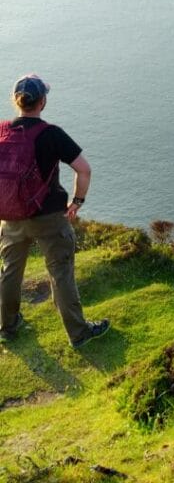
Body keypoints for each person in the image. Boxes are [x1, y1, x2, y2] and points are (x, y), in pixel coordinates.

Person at [0, 74, 110, 348]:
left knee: (10, 271)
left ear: (16, 101)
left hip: (11, 216)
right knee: (60, 272)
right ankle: (78, 333)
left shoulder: (2, 131)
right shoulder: (51, 134)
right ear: (43, 101)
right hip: (48, 217)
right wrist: (77, 202)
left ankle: (7, 326)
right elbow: (84, 169)